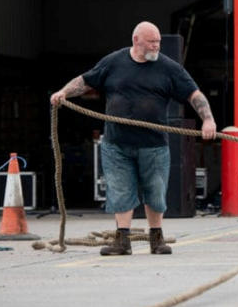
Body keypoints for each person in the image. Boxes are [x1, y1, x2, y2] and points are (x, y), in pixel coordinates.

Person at [50, 21, 217, 256]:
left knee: (156, 193)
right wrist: (63, 92)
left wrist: (208, 120)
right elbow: (85, 80)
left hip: (154, 145)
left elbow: (194, 94)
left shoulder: (168, 68)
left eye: (158, 42)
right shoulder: (113, 62)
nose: (157, 46)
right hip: (117, 144)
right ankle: (122, 241)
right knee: (120, 192)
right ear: (136, 40)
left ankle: (156, 239)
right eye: (152, 42)